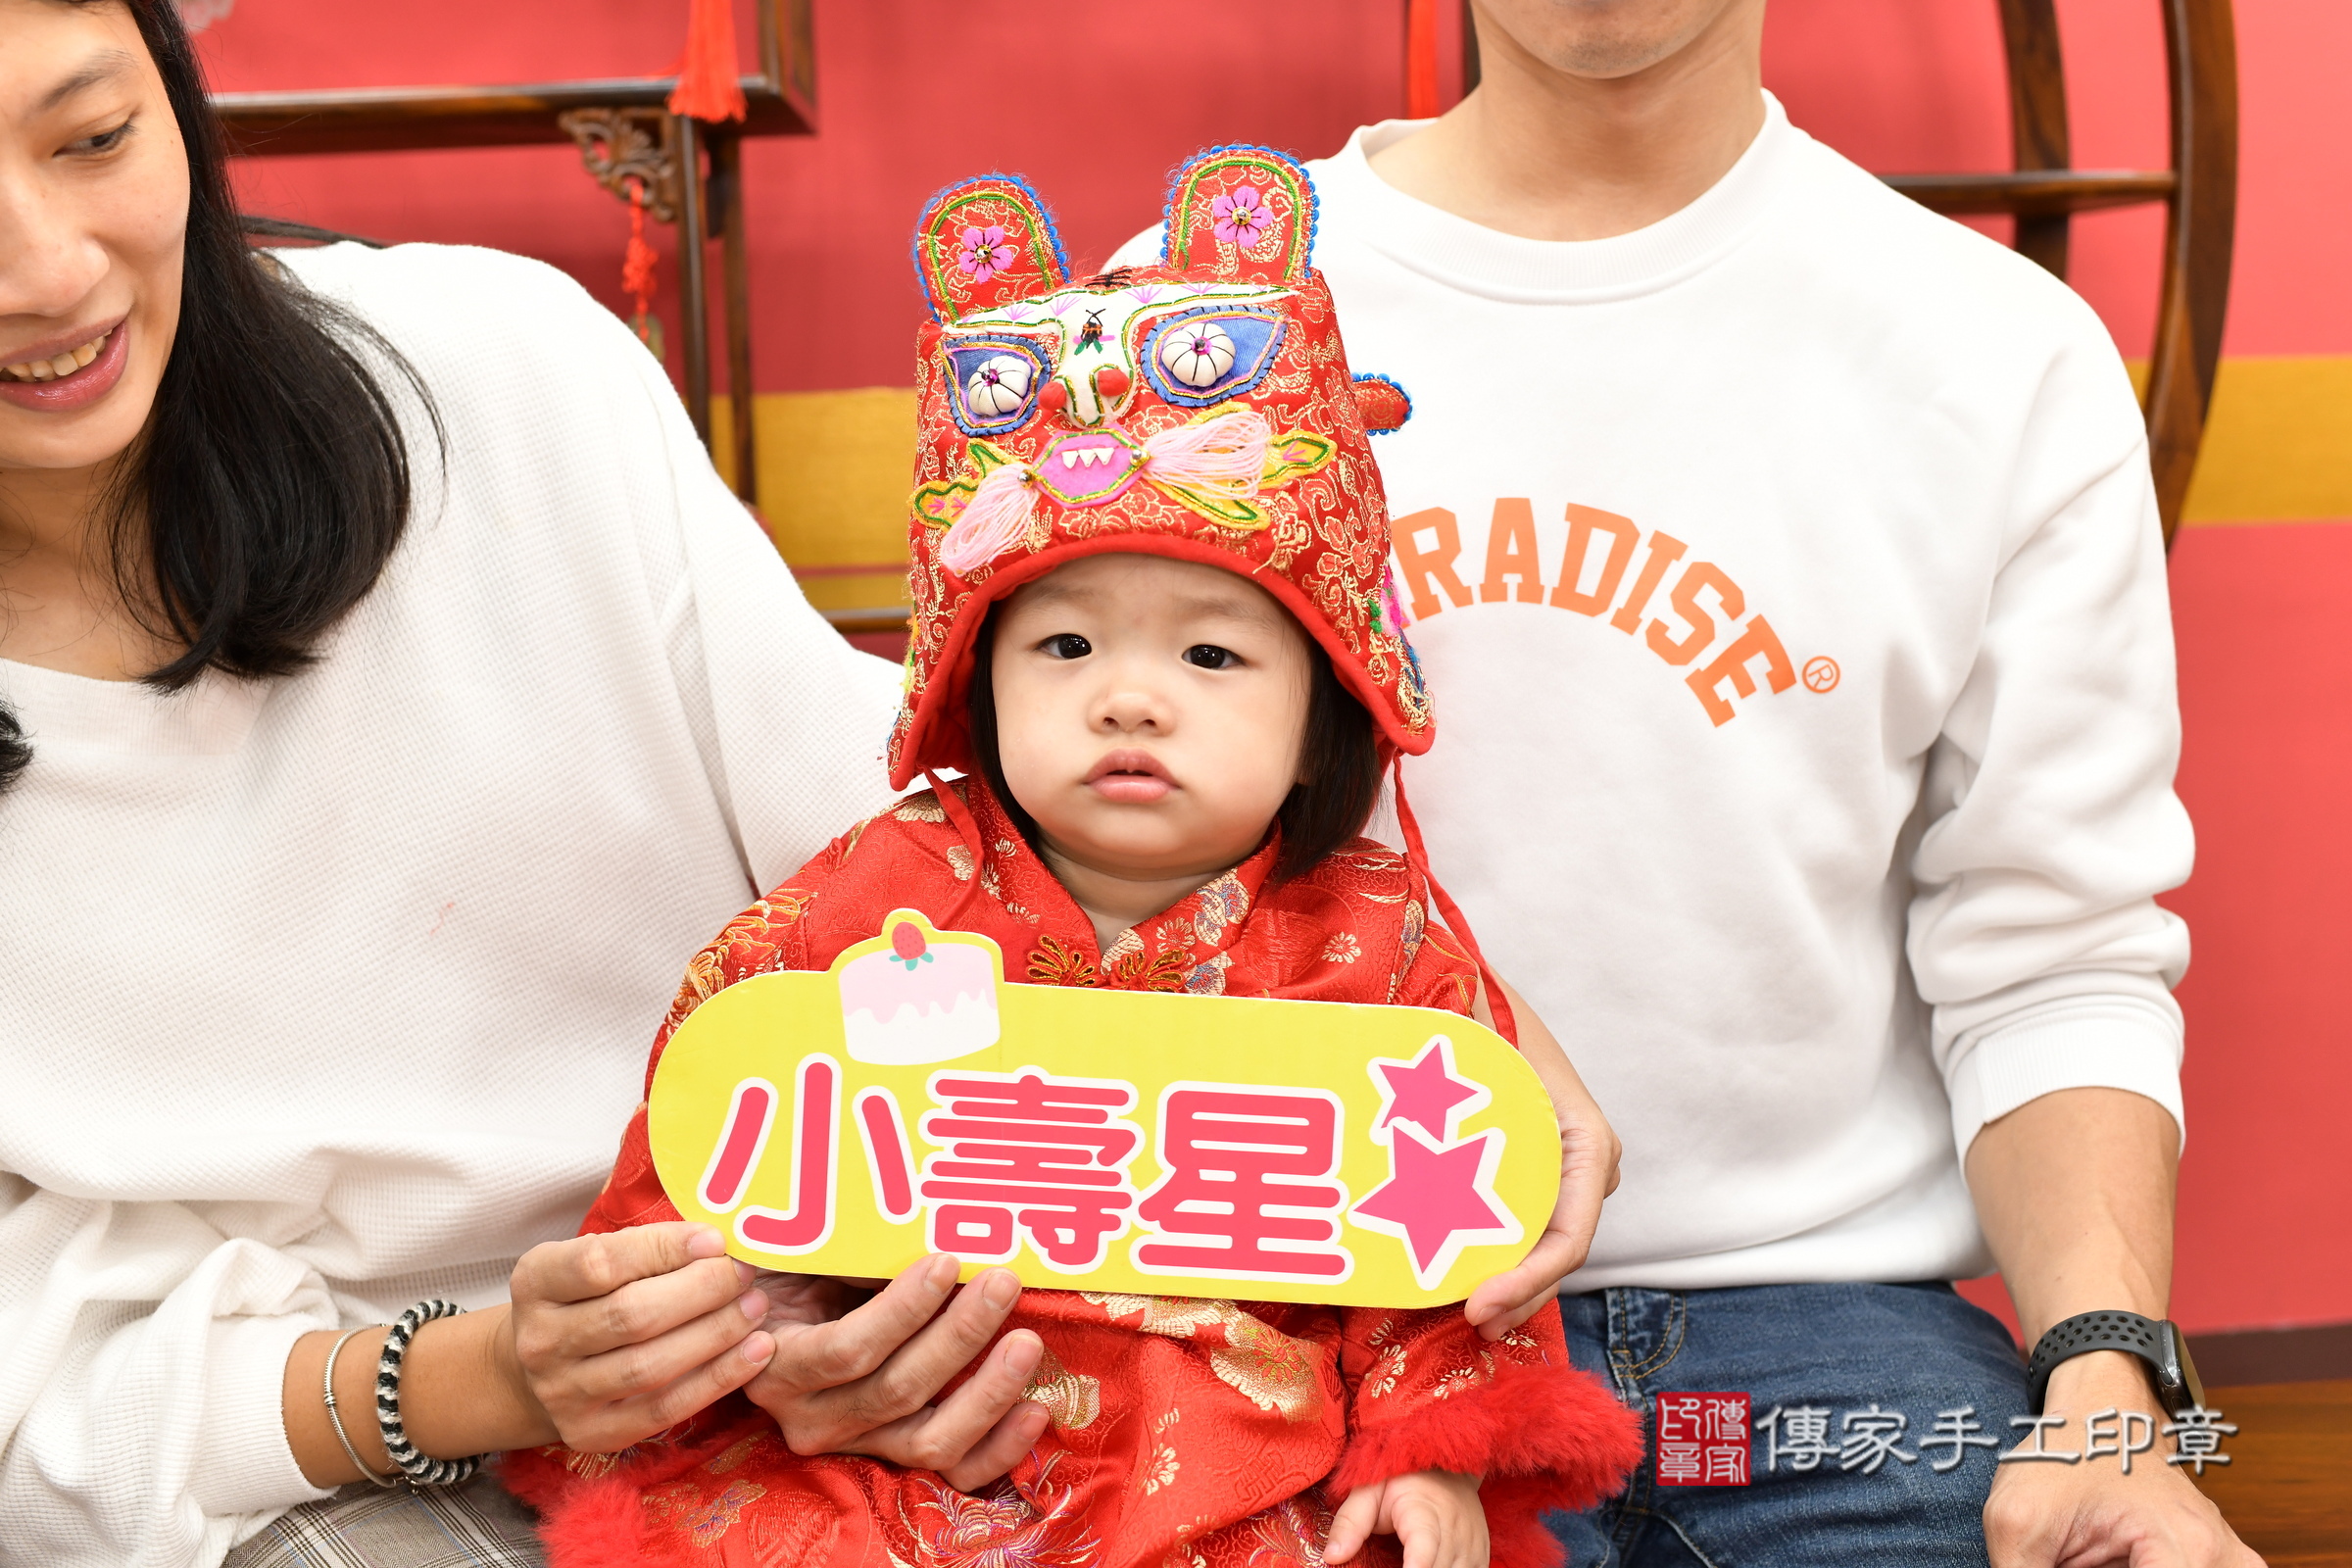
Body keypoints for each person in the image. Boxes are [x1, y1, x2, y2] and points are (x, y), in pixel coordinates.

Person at [1100, 2, 2258, 1565]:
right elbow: (1051, 885)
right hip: (1321, 1321)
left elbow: (2052, 947)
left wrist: (2109, 1395)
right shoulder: (1185, 324)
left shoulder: (2001, 352)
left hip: (1842, 1347)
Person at [0, 4, 1102, 1564]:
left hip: (814, 1293)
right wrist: (489, 1379)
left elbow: (912, 852)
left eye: (95, 138)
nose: (49, 276)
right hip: (301, 1462)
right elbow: (37, 1423)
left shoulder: (497, 379)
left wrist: (893, 1298)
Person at [502, 154, 1643, 1568]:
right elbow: (718, 1134)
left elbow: (1443, 1243)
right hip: (900, 1440)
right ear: (977, 682)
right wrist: (734, 1327)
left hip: (1242, 1455)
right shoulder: (864, 900)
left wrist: (1427, 1459)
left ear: (1322, 718)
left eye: (1211, 655)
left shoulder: (1382, 945)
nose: (1129, 698)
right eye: (1065, 644)